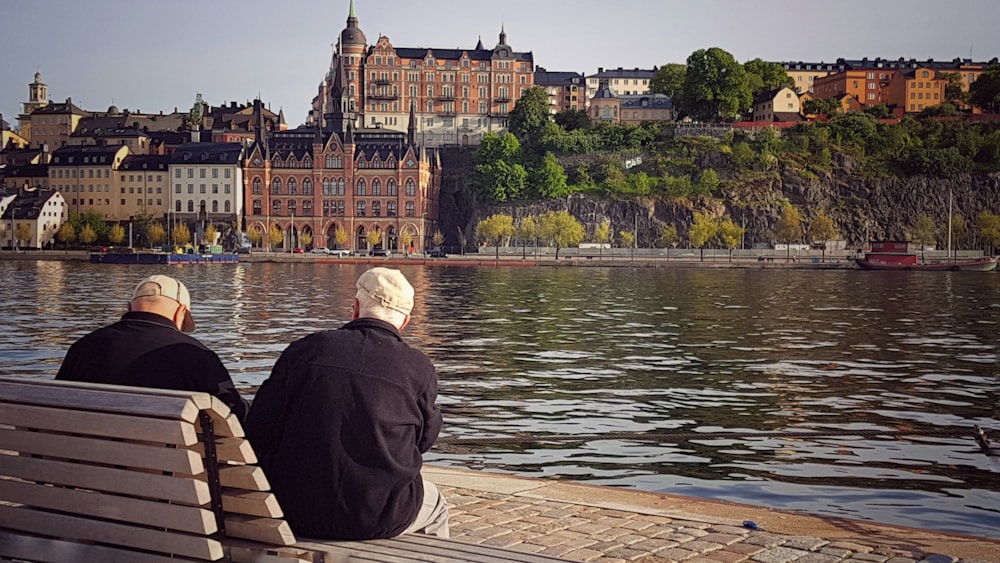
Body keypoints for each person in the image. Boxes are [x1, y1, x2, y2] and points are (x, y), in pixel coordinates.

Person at [245, 267, 448, 540]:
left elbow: (259, 427)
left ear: (355, 308)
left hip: (291, 506)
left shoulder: (305, 350)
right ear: (405, 322)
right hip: (380, 514)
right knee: (436, 504)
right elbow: (422, 441)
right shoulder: (419, 368)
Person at [56, 274, 248, 421]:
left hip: (87, 468)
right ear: (180, 313)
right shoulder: (198, 358)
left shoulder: (83, 348)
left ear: (129, 308)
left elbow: (57, 405)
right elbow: (237, 417)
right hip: (171, 469)